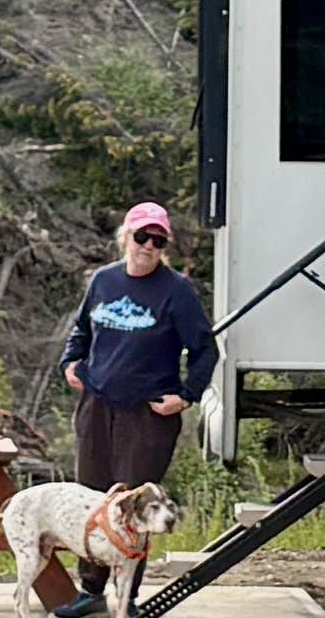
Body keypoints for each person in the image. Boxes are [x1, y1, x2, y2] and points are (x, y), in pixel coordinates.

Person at [61, 206, 217, 550]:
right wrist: (70, 361)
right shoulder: (103, 279)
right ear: (126, 238)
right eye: (142, 237)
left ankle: (127, 598)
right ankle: (91, 590)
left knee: (134, 506)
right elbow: (82, 329)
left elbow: (206, 349)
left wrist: (187, 395)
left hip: (148, 413)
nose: (148, 246)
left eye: (158, 241)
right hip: (97, 404)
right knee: (91, 499)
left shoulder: (177, 290)